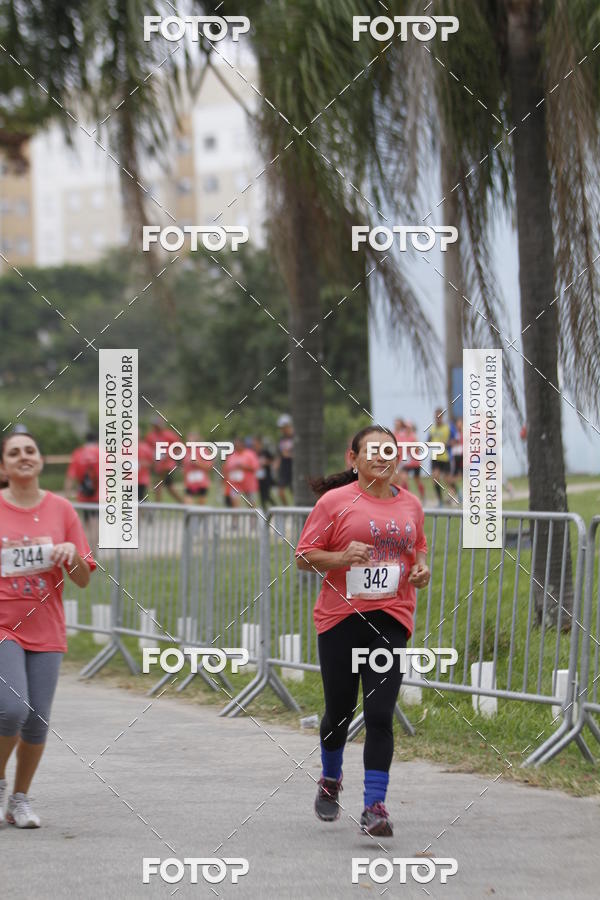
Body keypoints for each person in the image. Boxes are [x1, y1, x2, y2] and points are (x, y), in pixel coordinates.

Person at [295, 425, 430, 837]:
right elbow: (303, 558)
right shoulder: (334, 502)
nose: (381, 457)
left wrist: (421, 568)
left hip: (391, 618)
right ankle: (331, 778)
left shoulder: (411, 504)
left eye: (389, 450)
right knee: (340, 712)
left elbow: (417, 546)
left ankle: (375, 807)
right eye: (372, 451)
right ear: (352, 459)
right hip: (340, 620)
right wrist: (341, 556)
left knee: (379, 714)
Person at [0, 431, 95, 828]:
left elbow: (83, 578)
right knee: (11, 709)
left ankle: (19, 799)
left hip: (47, 627)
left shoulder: (62, 510)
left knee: (37, 718)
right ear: (3, 466)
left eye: (30, 450)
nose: (24, 456)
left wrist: (71, 554)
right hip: (4, 624)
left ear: (40, 460)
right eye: (14, 453)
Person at [64, 432, 100, 546]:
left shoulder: (78, 453)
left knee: (86, 523)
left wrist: (67, 495)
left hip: (83, 496)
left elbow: (70, 476)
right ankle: (95, 552)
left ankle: (88, 550)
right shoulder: (102, 453)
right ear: (97, 441)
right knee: (96, 523)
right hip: (99, 495)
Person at [144, 416, 183, 504]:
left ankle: (157, 506)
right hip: (157, 465)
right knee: (169, 487)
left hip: (167, 465)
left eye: (157, 425)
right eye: (154, 425)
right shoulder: (150, 436)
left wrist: (169, 455)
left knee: (158, 485)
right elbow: (148, 449)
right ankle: (183, 503)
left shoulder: (170, 435)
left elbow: (179, 448)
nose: (156, 427)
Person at [428, 408, 452, 506]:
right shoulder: (432, 429)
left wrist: (447, 444)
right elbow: (429, 440)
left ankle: (457, 492)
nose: (437, 419)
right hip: (434, 457)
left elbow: (455, 440)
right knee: (435, 478)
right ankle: (440, 500)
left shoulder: (447, 428)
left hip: (445, 457)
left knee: (447, 480)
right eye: (436, 417)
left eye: (439, 417)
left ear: (442, 417)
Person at [182, 432, 212, 506]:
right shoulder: (186, 452)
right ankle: (191, 517)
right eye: (188, 439)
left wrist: (197, 463)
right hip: (190, 482)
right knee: (187, 504)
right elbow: (184, 467)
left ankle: (201, 516)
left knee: (201, 506)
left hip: (201, 483)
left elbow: (209, 466)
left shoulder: (203, 451)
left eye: (192, 438)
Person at [402, 421, 425, 501]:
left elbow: (417, 449)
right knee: (404, 479)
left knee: (417, 480)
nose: (406, 429)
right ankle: (407, 497)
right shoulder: (403, 437)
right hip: (407, 463)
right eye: (405, 427)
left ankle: (423, 496)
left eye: (408, 427)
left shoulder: (414, 437)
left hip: (415, 462)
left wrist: (410, 448)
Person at [274, 414, 294, 505]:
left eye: (284, 427)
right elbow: (279, 453)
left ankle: (296, 509)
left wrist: (290, 455)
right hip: (284, 467)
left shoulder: (296, 438)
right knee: (280, 492)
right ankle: (286, 508)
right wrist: (276, 463)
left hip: (293, 467)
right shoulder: (281, 439)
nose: (282, 430)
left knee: (293, 491)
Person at [254, 437, 275, 509]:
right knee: (261, 496)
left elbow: (272, 460)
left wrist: (266, 462)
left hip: (266, 477)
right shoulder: (254, 453)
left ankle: (275, 506)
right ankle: (265, 511)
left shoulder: (265, 452)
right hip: (258, 477)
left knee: (267, 495)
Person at [448, 417, 463, 503]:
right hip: (455, 457)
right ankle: (454, 496)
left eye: (460, 424)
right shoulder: (454, 433)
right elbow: (451, 443)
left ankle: (457, 495)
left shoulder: (465, 434)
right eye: (457, 424)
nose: (458, 425)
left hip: (463, 458)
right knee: (452, 478)